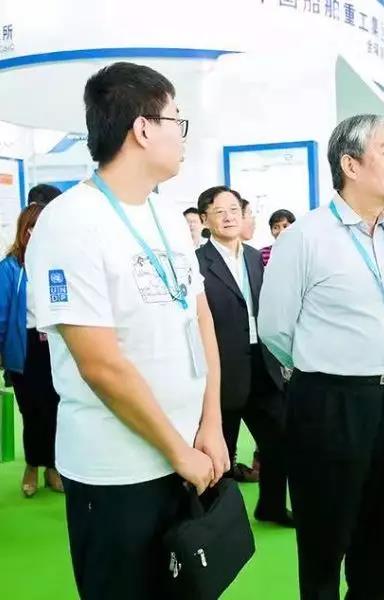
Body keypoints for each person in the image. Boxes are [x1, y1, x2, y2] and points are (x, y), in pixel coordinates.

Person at [25, 62, 229, 599]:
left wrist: (210, 423)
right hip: (116, 469)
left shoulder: (167, 217)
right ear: (142, 128)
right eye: (176, 121)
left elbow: (200, 318)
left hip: (187, 453)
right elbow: (100, 364)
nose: (183, 136)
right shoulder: (70, 221)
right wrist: (178, 450)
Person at [259, 114, 384, 600]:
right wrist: (320, 371)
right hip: (330, 402)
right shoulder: (305, 236)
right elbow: (274, 328)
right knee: (325, 539)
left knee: (383, 536)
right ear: (350, 164)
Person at [196, 185, 291, 526]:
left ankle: (271, 506)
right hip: (221, 369)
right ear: (205, 219)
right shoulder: (197, 263)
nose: (229, 217)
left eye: (234, 210)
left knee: (279, 441)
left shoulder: (254, 257)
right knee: (220, 449)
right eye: (219, 212)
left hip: (262, 364)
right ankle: (215, 521)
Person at [0, 203, 64, 497]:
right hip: (24, 346)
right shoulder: (10, 268)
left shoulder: (59, 262)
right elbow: (1, 315)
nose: (37, 233)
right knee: (31, 410)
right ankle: (32, 466)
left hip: (56, 344)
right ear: (23, 231)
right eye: (32, 227)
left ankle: (53, 466)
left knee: (55, 408)